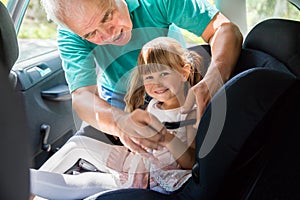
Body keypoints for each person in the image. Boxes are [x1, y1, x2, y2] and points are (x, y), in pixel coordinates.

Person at [39, 0, 243, 153]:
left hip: (177, 86)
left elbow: (224, 30)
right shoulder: (70, 34)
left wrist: (214, 79)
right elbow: (82, 96)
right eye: (91, 34)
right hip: (119, 98)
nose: (108, 35)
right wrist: (118, 122)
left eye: (107, 16)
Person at [30, 37, 204, 199]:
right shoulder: (154, 105)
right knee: (78, 145)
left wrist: (166, 138)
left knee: (85, 183)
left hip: (157, 179)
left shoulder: (189, 111)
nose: (156, 83)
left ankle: (22, 183)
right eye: (149, 76)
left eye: (164, 74)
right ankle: (24, 185)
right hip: (136, 163)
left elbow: (190, 162)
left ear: (184, 72)